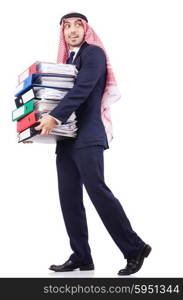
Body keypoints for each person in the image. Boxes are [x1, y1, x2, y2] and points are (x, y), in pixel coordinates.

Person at [34, 12, 152, 276]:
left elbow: (83, 89)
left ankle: (135, 248)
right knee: (69, 197)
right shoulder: (64, 63)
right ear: (62, 33)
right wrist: (34, 129)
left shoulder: (94, 54)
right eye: (67, 27)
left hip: (88, 135)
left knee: (97, 191)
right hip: (67, 139)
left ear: (86, 29)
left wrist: (53, 117)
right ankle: (81, 256)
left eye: (78, 25)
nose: (72, 30)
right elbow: (53, 97)